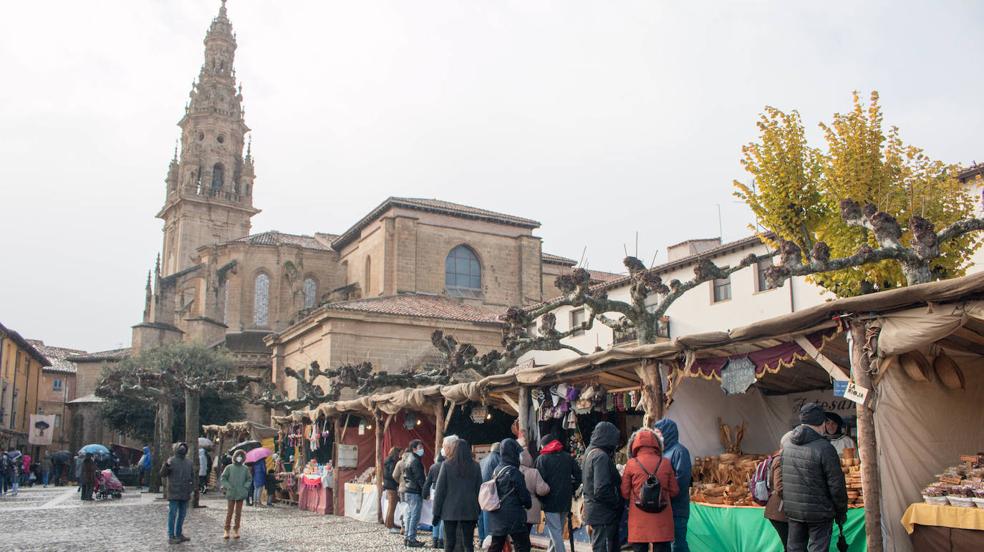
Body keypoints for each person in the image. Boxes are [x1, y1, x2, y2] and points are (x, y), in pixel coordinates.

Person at [782, 403, 848, 552]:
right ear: (822, 423)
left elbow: (781, 479)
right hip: (819, 512)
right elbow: (836, 485)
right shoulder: (825, 448)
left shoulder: (787, 445)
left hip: (794, 511)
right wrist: (841, 511)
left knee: (795, 549)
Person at [621, 428, 679, 552]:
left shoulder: (631, 464)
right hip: (662, 518)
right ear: (657, 444)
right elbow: (675, 491)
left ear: (635, 445)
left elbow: (625, 493)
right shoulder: (665, 463)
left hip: (639, 520)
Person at [535, 434, 582, 552]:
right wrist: (572, 488)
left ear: (544, 445)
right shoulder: (567, 457)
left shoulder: (542, 459)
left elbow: (539, 481)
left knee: (555, 531)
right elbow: (578, 476)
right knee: (557, 531)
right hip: (565, 500)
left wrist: (539, 497)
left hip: (549, 501)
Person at [433, 439, 482, 552]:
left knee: (449, 543)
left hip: (450, 510)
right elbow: (479, 489)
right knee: (468, 543)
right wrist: (478, 509)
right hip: (470, 509)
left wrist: (436, 512)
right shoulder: (475, 466)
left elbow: (440, 491)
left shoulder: (446, 465)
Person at [583, 421, 624, 552]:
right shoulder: (600, 456)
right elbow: (601, 489)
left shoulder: (590, 453)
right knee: (604, 548)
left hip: (597, 512)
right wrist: (617, 502)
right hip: (603, 514)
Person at [486, 438, 533, 552]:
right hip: (514, 516)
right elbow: (524, 496)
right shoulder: (514, 472)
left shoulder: (497, 470)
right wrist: (528, 503)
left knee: (496, 545)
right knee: (522, 545)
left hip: (497, 515)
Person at [654, 418, 692, 552]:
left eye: (659, 433)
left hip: (677, 508)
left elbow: (681, 480)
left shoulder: (680, 452)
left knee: (677, 544)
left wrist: (665, 495)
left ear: (667, 433)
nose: (656, 436)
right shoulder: (661, 453)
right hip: (664, 507)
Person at [424, 435, 457, 549]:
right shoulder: (448, 465)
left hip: (434, 492)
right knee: (443, 517)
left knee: (436, 515)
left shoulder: (433, 466)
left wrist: (425, 493)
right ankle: (442, 540)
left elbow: (427, 482)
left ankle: (434, 539)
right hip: (446, 493)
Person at [765, 432, 795, 551]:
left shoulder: (786, 458)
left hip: (783, 509)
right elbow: (779, 487)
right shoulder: (780, 459)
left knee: (792, 546)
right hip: (780, 510)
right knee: (790, 546)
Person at [160, 442, 195, 545]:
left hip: (185, 492)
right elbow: (162, 474)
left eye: (184, 447)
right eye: (181, 447)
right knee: (173, 514)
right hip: (174, 492)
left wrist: (191, 488)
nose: (183, 449)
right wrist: (166, 465)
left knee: (182, 515)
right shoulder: (171, 461)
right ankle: (171, 536)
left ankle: (179, 534)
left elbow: (192, 477)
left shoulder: (189, 462)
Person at [219, 450, 251, 540]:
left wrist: (245, 487)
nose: (239, 458)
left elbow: (249, 479)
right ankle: (226, 530)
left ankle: (236, 529)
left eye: (241, 456)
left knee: (238, 513)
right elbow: (223, 478)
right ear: (234, 457)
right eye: (238, 456)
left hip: (241, 493)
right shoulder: (229, 467)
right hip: (231, 492)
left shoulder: (245, 469)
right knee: (229, 512)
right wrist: (228, 486)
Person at [403, 439, 427, 548]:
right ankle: (411, 539)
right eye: (420, 447)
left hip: (408, 489)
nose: (422, 449)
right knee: (414, 516)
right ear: (414, 449)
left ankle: (407, 537)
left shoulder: (408, 459)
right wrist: (425, 491)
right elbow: (420, 478)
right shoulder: (416, 461)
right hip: (414, 490)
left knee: (409, 515)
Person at [519, 449, 550, 533]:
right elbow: (542, 490)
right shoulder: (533, 472)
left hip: (515, 508)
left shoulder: (512, 470)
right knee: (526, 534)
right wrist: (548, 486)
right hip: (531, 508)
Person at [478, 442, 502, 543]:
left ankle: (482, 538)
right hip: (492, 489)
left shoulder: (483, 460)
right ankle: (489, 539)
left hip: (482, 489)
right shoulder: (498, 459)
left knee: (482, 515)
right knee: (489, 515)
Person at [383, 447, 402, 533]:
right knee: (392, 507)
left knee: (390, 507)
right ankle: (390, 526)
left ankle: (389, 524)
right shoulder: (393, 462)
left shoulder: (387, 460)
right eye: (400, 453)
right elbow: (393, 474)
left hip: (388, 486)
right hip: (392, 486)